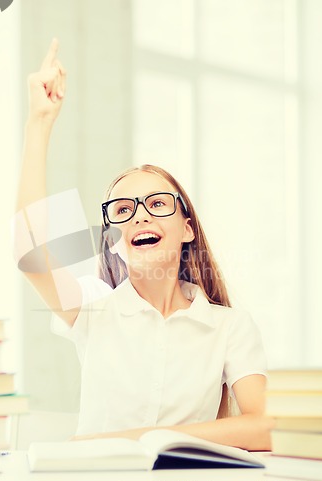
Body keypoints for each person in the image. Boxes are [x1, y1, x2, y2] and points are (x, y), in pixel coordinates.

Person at [15, 39, 275, 451]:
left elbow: (265, 429)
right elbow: (31, 256)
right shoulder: (94, 308)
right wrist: (39, 123)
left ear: (187, 228)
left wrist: (137, 440)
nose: (139, 215)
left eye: (156, 203)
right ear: (113, 240)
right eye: (122, 208)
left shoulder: (229, 327)